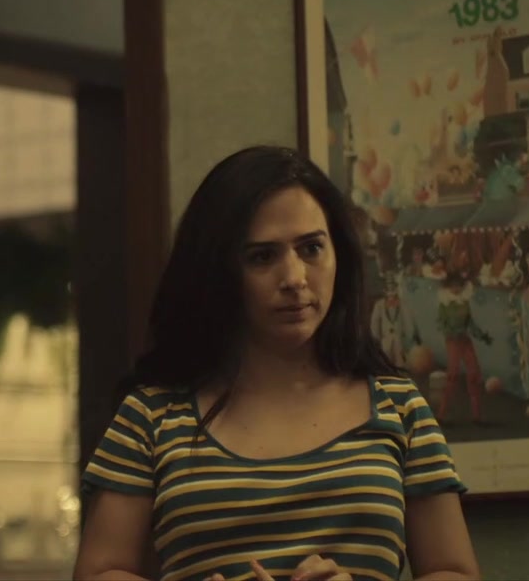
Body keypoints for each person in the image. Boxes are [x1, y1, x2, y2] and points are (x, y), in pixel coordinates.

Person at [73, 146, 480, 581]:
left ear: (339, 254)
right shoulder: (151, 417)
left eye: (311, 248)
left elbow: (454, 570)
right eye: (262, 256)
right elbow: (99, 571)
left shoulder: (399, 407)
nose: (294, 279)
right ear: (218, 269)